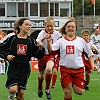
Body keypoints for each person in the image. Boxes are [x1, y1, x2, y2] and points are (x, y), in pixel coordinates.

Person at [46, 18, 94, 100]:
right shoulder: (60, 41)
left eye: (73, 26)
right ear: (65, 29)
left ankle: (72, 83)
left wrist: (92, 66)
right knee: (67, 92)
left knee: (80, 91)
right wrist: (48, 42)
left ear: (75, 29)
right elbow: (51, 51)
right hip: (65, 70)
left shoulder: (81, 41)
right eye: (68, 26)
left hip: (78, 70)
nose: (70, 28)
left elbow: (89, 54)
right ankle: (68, 83)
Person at [0, 17, 45, 100]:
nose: (29, 27)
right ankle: (11, 95)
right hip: (14, 67)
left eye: (30, 25)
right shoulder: (12, 39)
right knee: (13, 89)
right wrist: (7, 56)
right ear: (20, 26)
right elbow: (1, 48)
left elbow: (39, 55)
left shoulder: (31, 41)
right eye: (26, 24)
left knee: (21, 92)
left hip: (25, 68)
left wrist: (40, 47)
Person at [36, 17, 61, 99]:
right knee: (41, 75)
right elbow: (38, 42)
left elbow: (61, 41)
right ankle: (40, 88)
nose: (50, 28)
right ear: (45, 26)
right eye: (48, 26)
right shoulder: (42, 33)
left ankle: (47, 89)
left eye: (51, 26)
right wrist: (44, 38)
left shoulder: (57, 34)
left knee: (49, 69)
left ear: (54, 25)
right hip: (42, 55)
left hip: (51, 55)